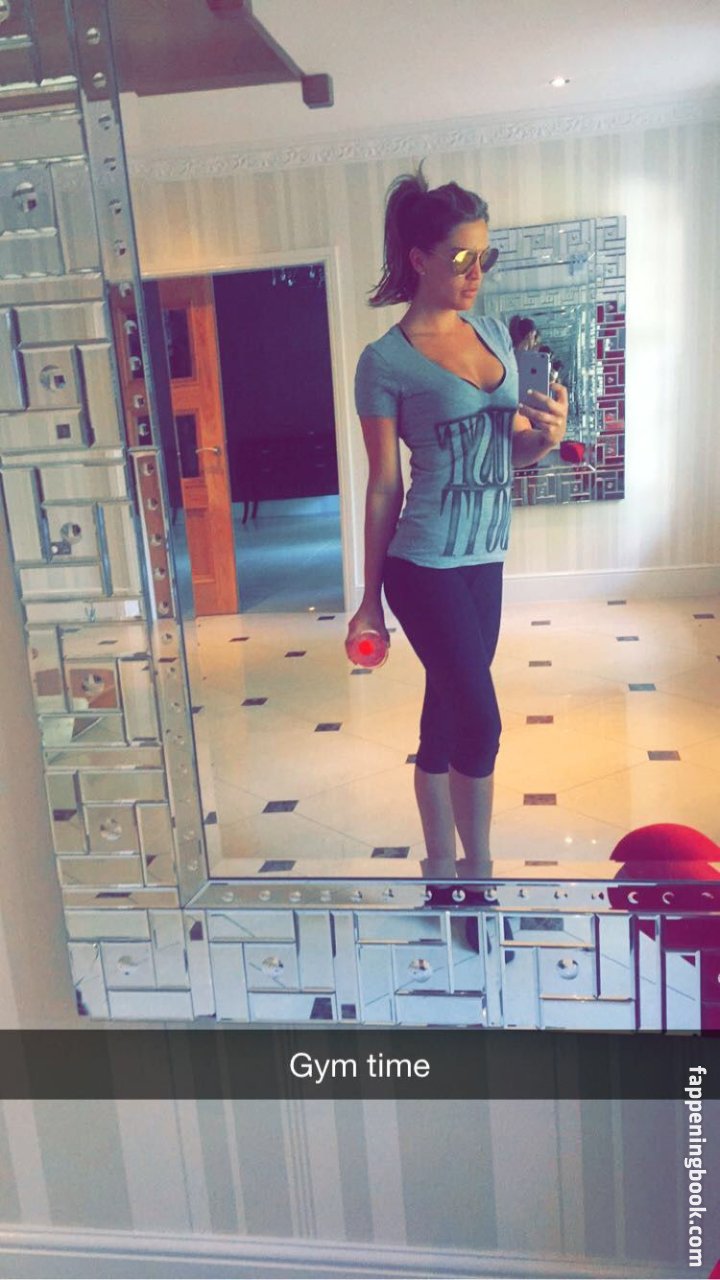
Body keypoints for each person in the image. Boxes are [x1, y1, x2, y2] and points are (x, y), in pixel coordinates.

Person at [346, 166, 567, 876]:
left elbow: (511, 452)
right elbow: (385, 485)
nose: (477, 272)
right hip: (424, 565)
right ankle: (479, 875)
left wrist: (546, 439)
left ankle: (440, 864)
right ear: (420, 259)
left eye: (485, 255)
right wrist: (369, 599)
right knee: (482, 721)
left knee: (445, 714)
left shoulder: (495, 334)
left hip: (484, 559)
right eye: (463, 257)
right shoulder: (384, 362)